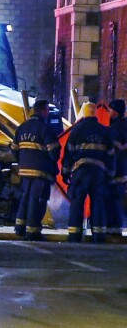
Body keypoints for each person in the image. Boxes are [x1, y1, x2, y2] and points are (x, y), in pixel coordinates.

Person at [62, 102, 115, 243]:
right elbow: (111, 155)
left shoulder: (77, 131)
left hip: (80, 173)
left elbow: (68, 154)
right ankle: (99, 235)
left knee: (77, 203)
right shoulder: (105, 131)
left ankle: (74, 235)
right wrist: (110, 174)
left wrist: (65, 173)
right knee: (98, 203)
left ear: (84, 113)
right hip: (99, 174)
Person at [10, 99, 60, 241]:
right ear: (44, 111)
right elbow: (54, 152)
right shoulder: (45, 128)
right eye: (47, 110)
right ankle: (33, 231)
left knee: (26, 196)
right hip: (40, 171)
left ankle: (20, 227)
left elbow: (14, 150)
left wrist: (23, 162)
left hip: (25, 170)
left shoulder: (22, 127)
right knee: (36, 199)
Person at [105, 99, 127, 242]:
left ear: (116, 111)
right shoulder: (123, 125)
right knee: (117, 201)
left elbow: (114, 151)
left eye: (110, 109)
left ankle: (113, 232)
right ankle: (115, 231)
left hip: (116, 171)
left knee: (113, 202)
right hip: (123, 171)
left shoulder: (116, 128)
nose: (108, 112)